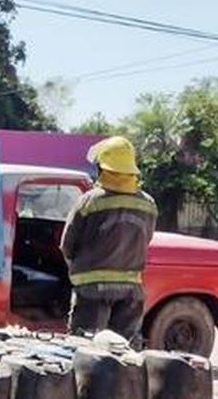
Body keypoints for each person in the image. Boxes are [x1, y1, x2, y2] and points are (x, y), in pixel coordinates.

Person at [60, 135, 158, 342]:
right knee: (124, 357)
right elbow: (146, 239)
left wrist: (79, 271)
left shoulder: (89, 201)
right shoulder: (148, 204)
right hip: (132, 292)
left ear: (102, 169)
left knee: (86, 353)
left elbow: (67, 245)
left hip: (91, 290)